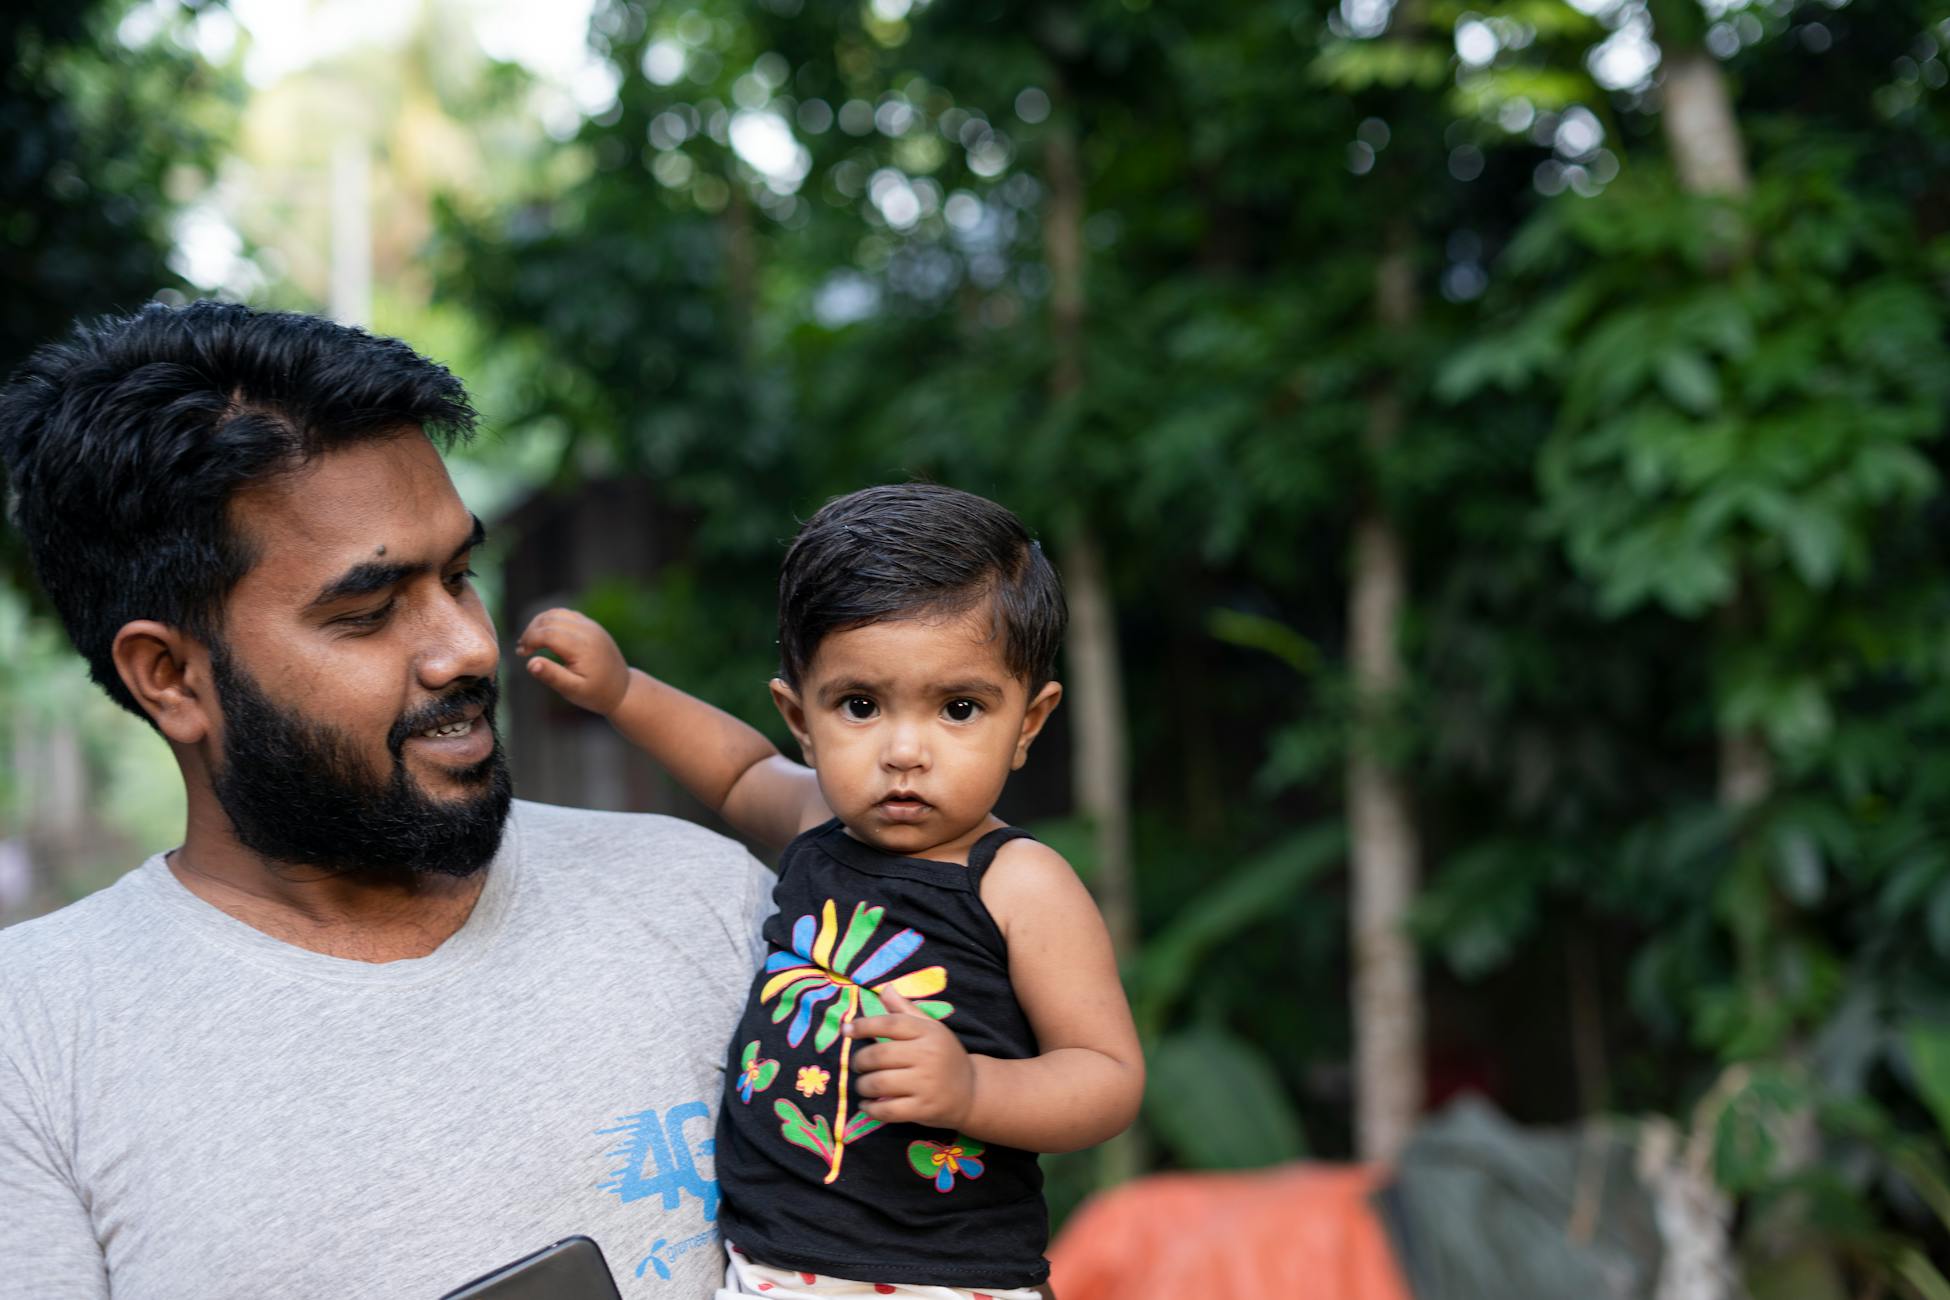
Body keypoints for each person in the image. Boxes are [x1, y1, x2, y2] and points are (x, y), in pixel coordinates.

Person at [0, 301, 772, 1300]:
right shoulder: (32, 1041)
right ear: (171, 678)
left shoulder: (703, 901)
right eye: (366, 614)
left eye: (461, 574)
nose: (468, 646)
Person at [516, 484, 1145, 1299]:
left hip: (944, 1278)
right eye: (860, 706)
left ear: (1028, 721)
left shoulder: (1021, 883)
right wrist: (624, 693)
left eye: (959, 708)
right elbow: (737, 769)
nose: (905, 751)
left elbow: (1105, 1076)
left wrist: (976, 1089)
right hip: (772, 1267)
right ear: (801, 717)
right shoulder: (819, 817)